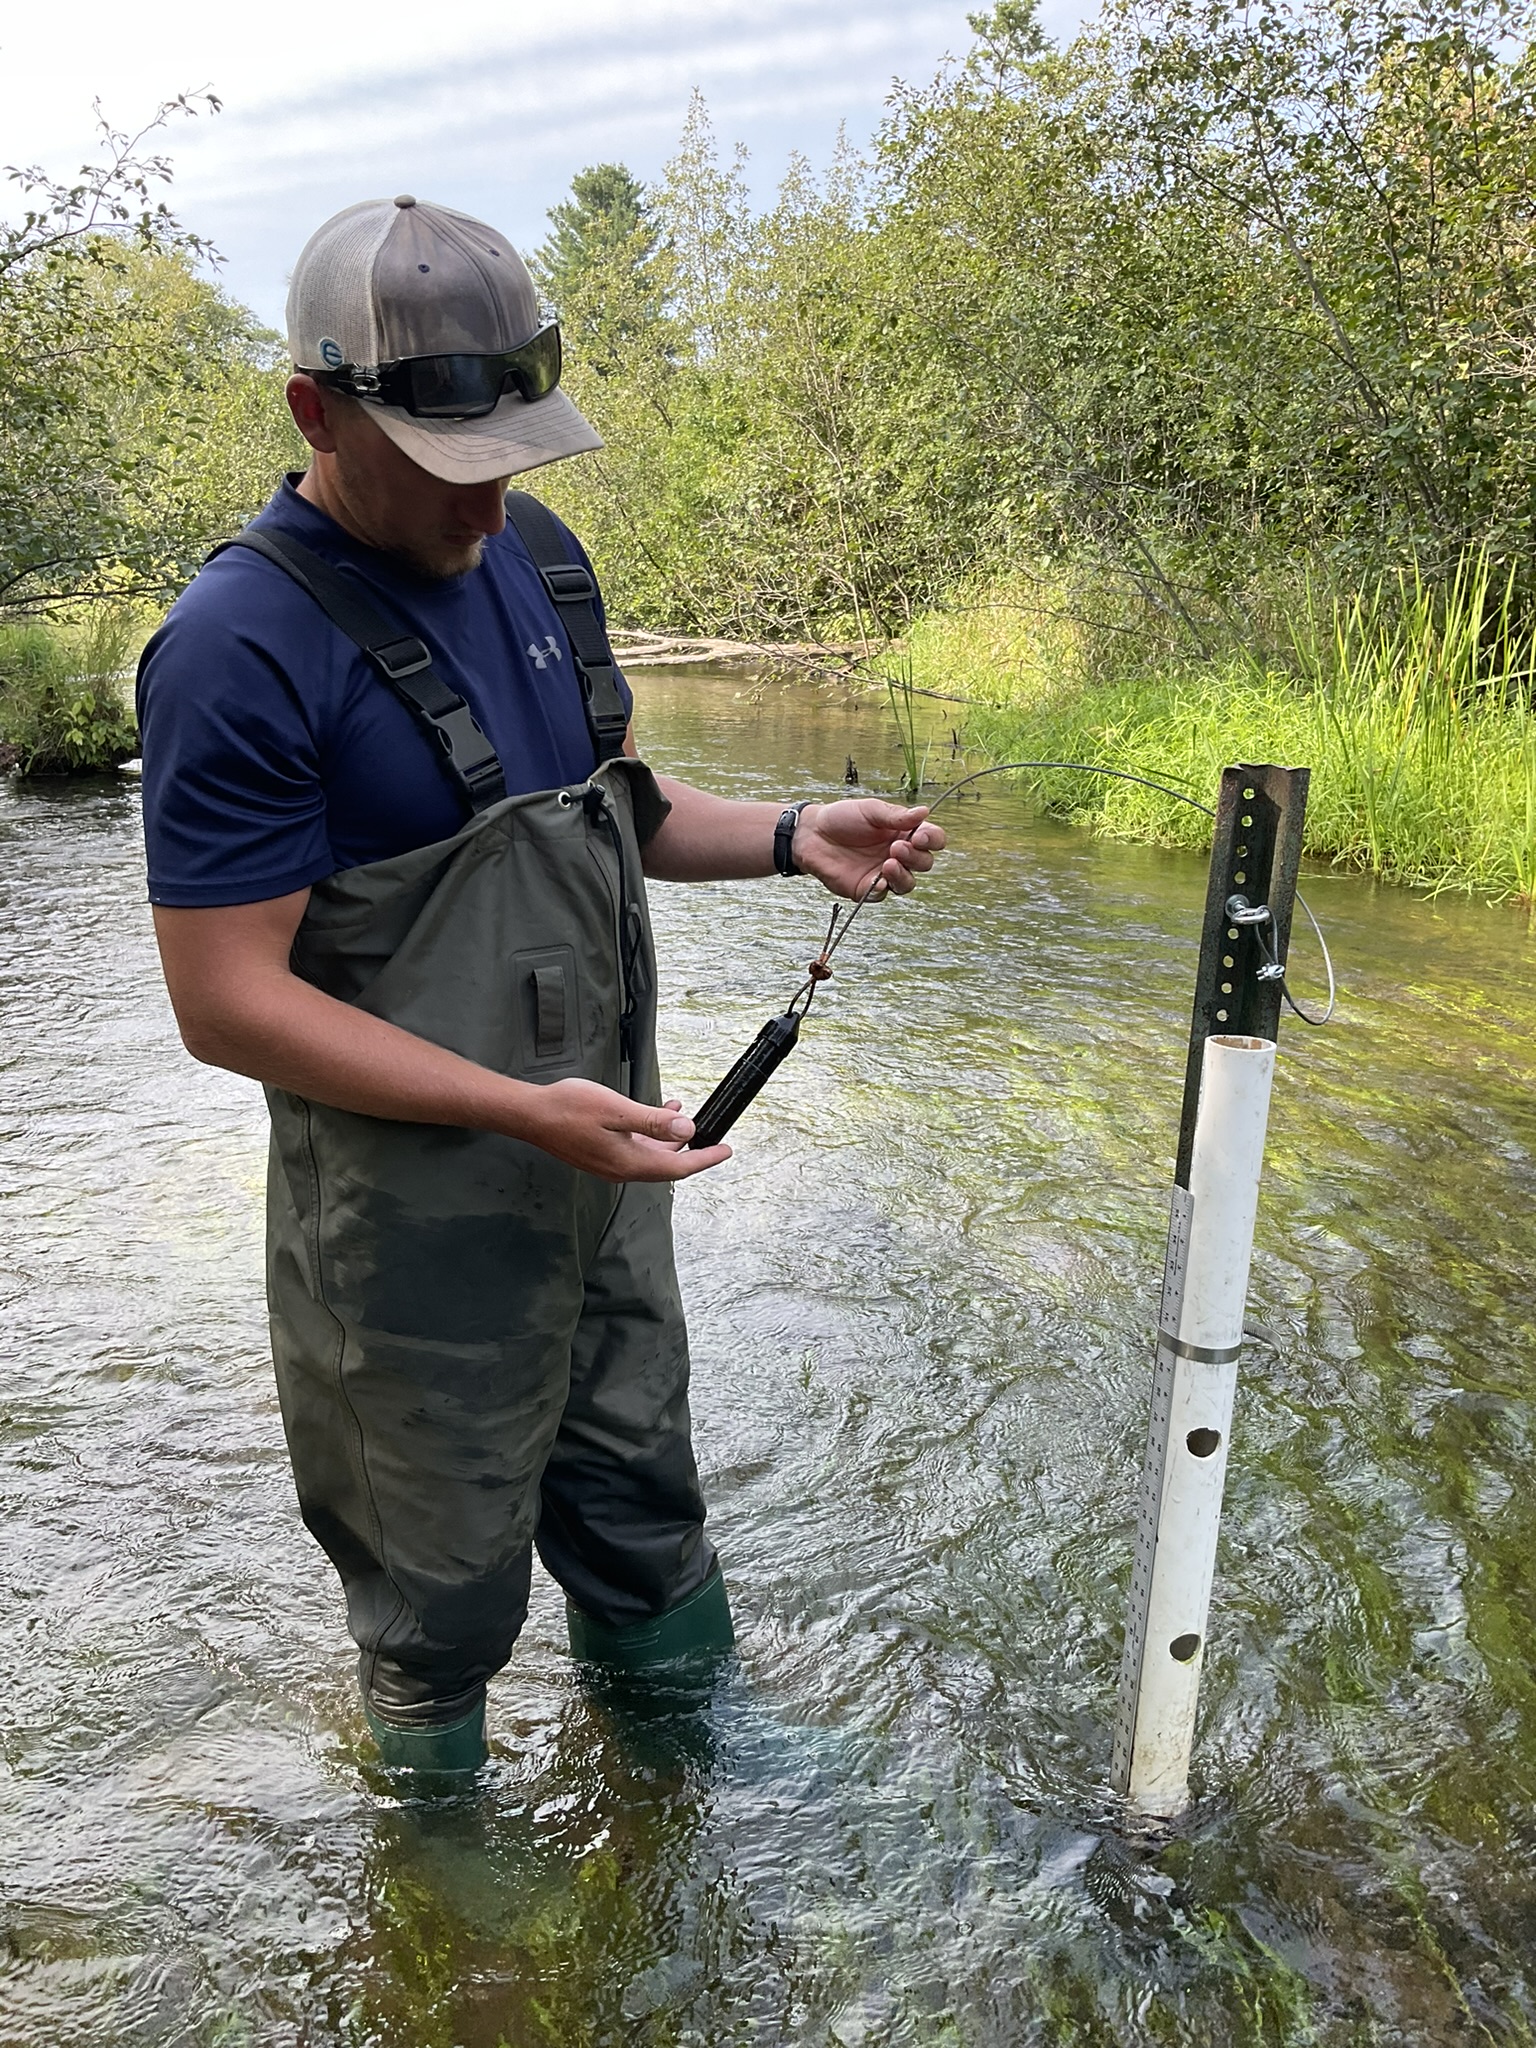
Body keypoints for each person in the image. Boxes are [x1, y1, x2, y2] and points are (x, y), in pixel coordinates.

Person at [137, 194, 945, 1778]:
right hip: (408, 1238)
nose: (491, 506)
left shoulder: (541, 564)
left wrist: (791, 835)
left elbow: (614, 805)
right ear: (315, 410)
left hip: (598, 1175)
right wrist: (522, 1110)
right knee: (437, 1603)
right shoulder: (235, 645)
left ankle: (684, 1780)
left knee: (646, 1510)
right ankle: (446, 1891)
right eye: (451, 468)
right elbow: (223, 1001)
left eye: (514, 455)